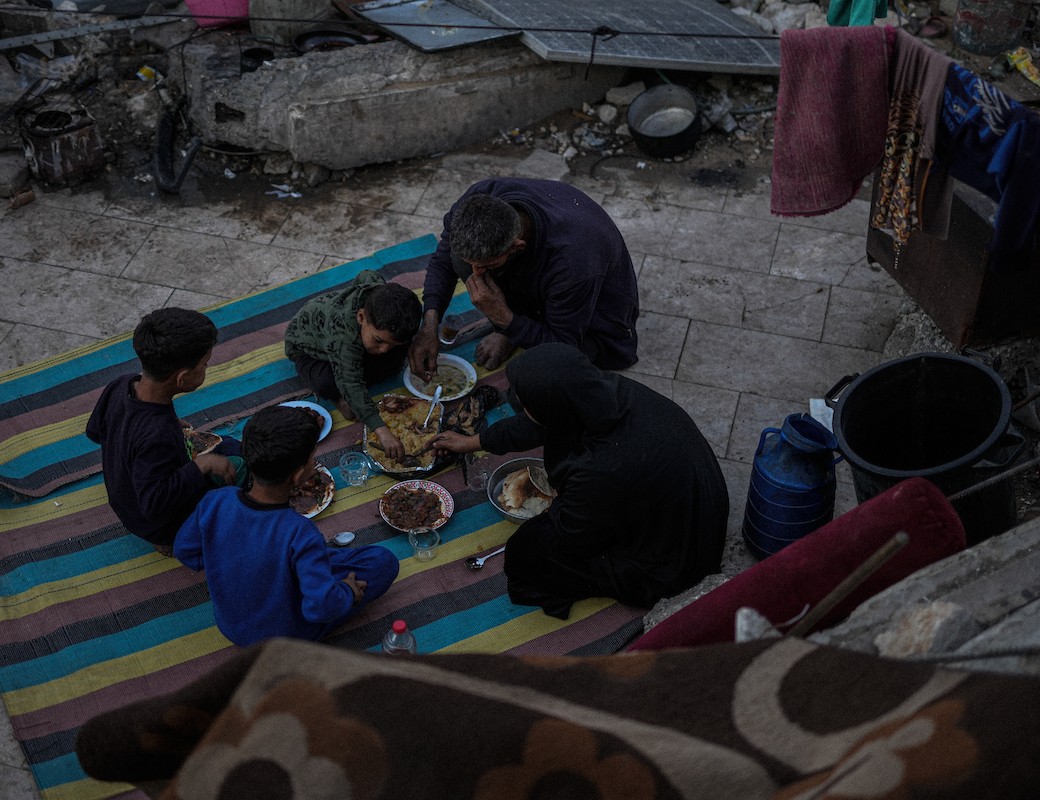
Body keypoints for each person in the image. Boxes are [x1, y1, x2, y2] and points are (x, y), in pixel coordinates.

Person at [430, 343, 728, 618]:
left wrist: (555, 514)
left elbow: (577, 537)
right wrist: (473, 442)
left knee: (527, 551)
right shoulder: (600, 392)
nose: (524, 409)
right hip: (690, 507)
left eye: (526, 404)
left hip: (672, 561)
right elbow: (540, 423)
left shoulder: (602, 469)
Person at [174, 405, 400, 647]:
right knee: (382, 561)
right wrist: (346, 592)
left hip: (232, 625)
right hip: (285, 637)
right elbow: (320, 608)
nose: (315, 463)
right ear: (298, 475)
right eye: (313, 458)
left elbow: (184, 550)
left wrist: (230, 566)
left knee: (303, 561)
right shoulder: (299, 532)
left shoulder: (216, 500)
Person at [409, 177, 640, 380]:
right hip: (544, 287)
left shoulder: (573, 262)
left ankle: (514, 330)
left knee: (534, 384)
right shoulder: (480, 197)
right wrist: (429, 326)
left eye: (488, 265)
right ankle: (516, 327)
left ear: (517, 246)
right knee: (458, 261)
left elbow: (562, 345)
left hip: (594, 321)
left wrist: (506, 321)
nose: (477, 273)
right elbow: (442, 261)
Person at [86, 308, 242, 555]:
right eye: (205, 364)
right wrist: (201, 466)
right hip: (153, 520)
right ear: (182, 378)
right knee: (235, 475)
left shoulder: (121, 384)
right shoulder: (158, 433)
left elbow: (95, 432)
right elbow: (154, 504)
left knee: (227, 447)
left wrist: (136, 433)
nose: (206, 368)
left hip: (124, 501)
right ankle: (171, 538)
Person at [284, 269, 422, 461]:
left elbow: (366, 274)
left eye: (388, 344)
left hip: (351, 344)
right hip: (310, 352)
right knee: (329, 383)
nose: (384, 349)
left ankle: (361, 376)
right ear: (360, 317)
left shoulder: (379, 293)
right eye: (378, 340)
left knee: (395, 356)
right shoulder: (344, 336)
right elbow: (351, 382)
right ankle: (341, 398)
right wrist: (381, 431)